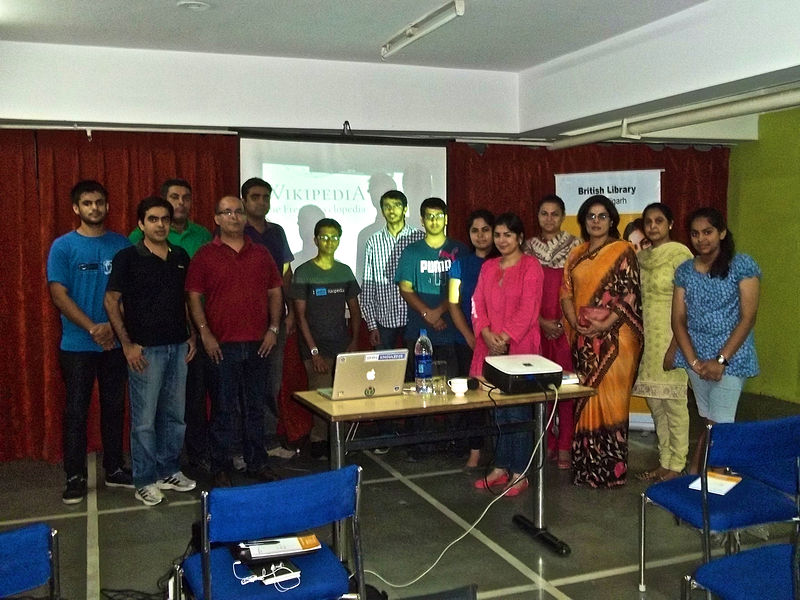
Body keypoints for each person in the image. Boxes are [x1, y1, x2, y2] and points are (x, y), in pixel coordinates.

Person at [185, 196, 284, 487]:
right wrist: (204, 333)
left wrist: (274, 328)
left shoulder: (261, 253)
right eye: (227, 212)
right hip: (221, 346)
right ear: (216, 219)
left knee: (255, 406)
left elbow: (275, 291)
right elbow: (193, 296)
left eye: (238, 212)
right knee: (223, 409)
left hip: (259, 344)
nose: (234, 217)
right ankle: (221, 465)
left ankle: (257, 462)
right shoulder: (204, 255)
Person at [105, 196, 197, 506]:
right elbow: (111, 301)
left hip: (178, 347)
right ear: (141, 224)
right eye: (153, 219)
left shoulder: (181, 256)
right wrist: (127, 344)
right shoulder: (127, 258)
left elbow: (186, 301)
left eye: (165, 219)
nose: (160, 224)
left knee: (175, 416)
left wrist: (192, 336)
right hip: (145, 351)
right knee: (144, 420)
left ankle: (168, 470)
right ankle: (144, 479)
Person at [46, 180, 133, 504]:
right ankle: (75, 475)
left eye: (99, 202)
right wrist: (94, 327)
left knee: (114, 408)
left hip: (113, 344)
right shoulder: (63, 246)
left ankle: (114, 468)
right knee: (76, 412)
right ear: (76, 208)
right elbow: (58, 294)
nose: (94, 208)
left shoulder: (121, 245)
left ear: (107, 206)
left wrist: (112, 328)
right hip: (77, 345)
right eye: (87, 203)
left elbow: (127, 293)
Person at [130, 178, 213, 473]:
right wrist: (129, 342)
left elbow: (193, 293)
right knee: (148, 415)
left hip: (186, 338)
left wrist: (195, 333)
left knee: (185, 407)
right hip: (148, 343)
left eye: (186, 198)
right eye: (174, 197)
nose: (181, 203)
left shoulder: (196, 240)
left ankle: (181, 463)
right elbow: (121, 298)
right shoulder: (134, 247)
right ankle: (148, 473)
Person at [560, 195, 643, 488]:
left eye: (602, 216)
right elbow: (566, 294)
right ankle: (587, 470)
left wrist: (604, 325)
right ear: (583, 221)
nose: (596, 221)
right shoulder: (576, 254)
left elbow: (629, 293)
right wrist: (577, 325)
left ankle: (611, 472)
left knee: (612, 403)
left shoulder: (623, 250)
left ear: (612, 220)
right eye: (591, 216)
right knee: (586, 400)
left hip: (616, 341)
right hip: (583, 339)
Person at [671, 207, 760, 475]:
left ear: (721, 232)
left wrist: (721, 361)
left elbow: (748, 316)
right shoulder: (685, 270)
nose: (701, 239)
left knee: (720, 425)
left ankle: (708, 482)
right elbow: (678, 320)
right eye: (695, 234)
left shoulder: (741, 265)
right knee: (711, 423)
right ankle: (699, 478)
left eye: (708, 232)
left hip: (731, 359)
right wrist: (695, 362)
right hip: (696, 360)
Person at [470, 213, 544, 497]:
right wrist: (486, 333)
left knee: (518, 411)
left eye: (507, 235)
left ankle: (520, 472)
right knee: (498, 410)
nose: (501, 240)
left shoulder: (531, 267)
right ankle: (500, 468)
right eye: (498, 235)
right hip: (489, 347)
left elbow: (528, 310)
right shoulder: (488, 267)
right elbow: (476, 303)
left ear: (520, 238)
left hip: (520, 349)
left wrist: (505, 339)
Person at [396, 197, 468, 460]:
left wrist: (441, 310)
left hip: (452, 332)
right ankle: (418, 446)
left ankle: (454, 443)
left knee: (452, 390)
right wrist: (427, 313)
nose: (434, 220)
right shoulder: (412, 252)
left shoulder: (460, 250)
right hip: (419, 332)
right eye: (429, 216)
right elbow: (405, 287)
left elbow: (463, 288)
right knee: (418, 389)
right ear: (422, 219)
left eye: (439, 216)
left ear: (446, 218)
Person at [631, 203, 693, 482]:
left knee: (675, 405)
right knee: (656, 403)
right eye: (648, 222)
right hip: (648, 338)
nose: (653, 226)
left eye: (659, 220)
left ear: (669, 223)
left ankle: (678, 464)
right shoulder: (643, 258)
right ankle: (664, 461)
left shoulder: (681, 255)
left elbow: (691, 303)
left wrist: (676, 346)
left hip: (673, 337)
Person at [290, 218, 361, 457]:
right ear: (315, 240)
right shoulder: (304, 272)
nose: (329, 242)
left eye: (334, 237)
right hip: (316, 349)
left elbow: (355, 310)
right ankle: (320, 443)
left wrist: (354, 342)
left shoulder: (345, 271)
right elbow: (300, 317)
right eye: (324, 237)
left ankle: (343, 443)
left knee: (344, 398)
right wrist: (314, 352)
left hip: (342, 346)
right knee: (321, 399)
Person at [522, 194, 581, 470]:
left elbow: (579, 288)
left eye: (554, 213)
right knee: (541, 388)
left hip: (565, 327)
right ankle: (544, 442)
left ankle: (566, 445)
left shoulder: (575, 245)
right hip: (535, 327)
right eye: (543, 213)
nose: (549, 219)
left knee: (566, 387)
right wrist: (541, 321)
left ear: (563, 215)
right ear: (537, 217)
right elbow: (522, 293)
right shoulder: (527, 248)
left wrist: (563, 322)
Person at [242, 177, 296, 459]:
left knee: (272, 382)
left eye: (265, 197)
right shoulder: (237, 231)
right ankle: (242, 444)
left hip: (275, 318)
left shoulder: (277, 232)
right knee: (243, 383)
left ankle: (269, 439)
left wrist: (290, 312)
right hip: (244, 320)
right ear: (244, 200)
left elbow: (286, 274)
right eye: (255, 197)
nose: (261, 202)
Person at [448, 209, 497, 469]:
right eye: (474, 231)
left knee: (500, 397)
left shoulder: (505, 261)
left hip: (500, 342)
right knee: (473, 399)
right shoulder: (459, 264)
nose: (481, 236)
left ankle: (502, 454)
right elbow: (453, 303)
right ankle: (475, 451)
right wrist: (470, 336)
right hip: (466, 340)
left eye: (485, 230)